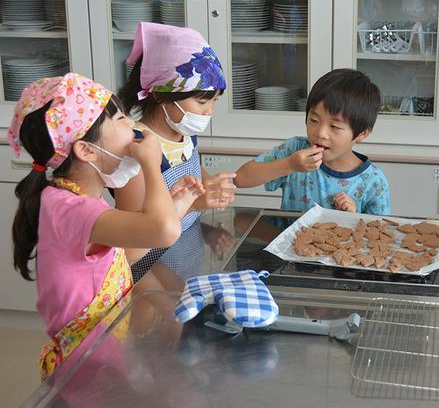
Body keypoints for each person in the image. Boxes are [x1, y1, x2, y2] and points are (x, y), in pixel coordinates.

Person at [7, 73, 204, 379]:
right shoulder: (71, 209)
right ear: (86, 150)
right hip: (84, 366)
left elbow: (123, 256)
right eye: (121, 118)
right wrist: (152, 163)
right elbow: (163, 231)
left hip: (102, 352)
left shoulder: (72, 199)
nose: (132, 126)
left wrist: (175, 208)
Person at [116, 22, 236, 279]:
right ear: (160, 95)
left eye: (214, 101)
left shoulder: (185, 132)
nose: (210, 111)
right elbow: (132, 234)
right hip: (151, 272)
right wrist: (194, 204)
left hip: (186, 257)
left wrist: (207, 185)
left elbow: (191, 172)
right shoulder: (137, 149)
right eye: (202, 101)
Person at [234, 68, 391, 215]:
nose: (320, 133)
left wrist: (352, 217)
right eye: (314, 120)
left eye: (334, 126)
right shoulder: (294, 150)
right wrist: (289, 165)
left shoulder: (374, 181)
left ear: (362, 133)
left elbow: (379, 237)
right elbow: (240, 178)